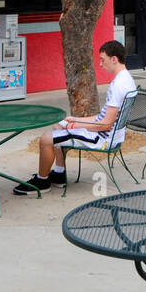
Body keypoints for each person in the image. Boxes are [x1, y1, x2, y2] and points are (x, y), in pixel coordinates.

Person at [14, 40, 136, 195]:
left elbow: (105, 125)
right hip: (110, 135)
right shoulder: (127, 79)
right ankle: (59, 174)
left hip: (102, 139)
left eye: (102, 59)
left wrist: (75, 125)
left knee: (45, 139)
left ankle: (42, 181)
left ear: (114, 59)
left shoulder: (118, 85)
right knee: (59, 125)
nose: (100, 64)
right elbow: (104, 118)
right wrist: (75, 120)